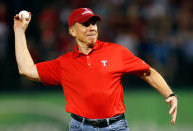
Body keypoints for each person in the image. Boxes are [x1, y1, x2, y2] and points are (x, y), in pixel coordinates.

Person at [13, 8, 178, 131]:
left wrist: (169, 94)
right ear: (72, 31)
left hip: (115, 126)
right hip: (80, 126)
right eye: (85, 24)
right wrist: (19, 31)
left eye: (94, 23)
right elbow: (26, 69)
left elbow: (147, 72)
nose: (92, 28)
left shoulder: (116, 52)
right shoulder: (65, 63)